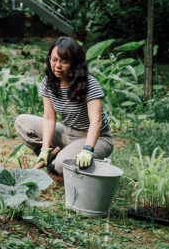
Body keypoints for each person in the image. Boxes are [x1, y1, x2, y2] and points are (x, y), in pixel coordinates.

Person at [15, 36, 114, 177]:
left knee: (61, 167)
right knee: (22, 122)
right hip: (68, 133)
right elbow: (49, 119)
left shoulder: (89, 84)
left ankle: (66, 161)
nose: (57, 65)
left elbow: (96, 121)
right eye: (54, 59)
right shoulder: (48, 82)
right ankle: (55, 157)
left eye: (64, 61)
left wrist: (87, 149)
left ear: (75, 63)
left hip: (96, 138)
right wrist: (44, 149)